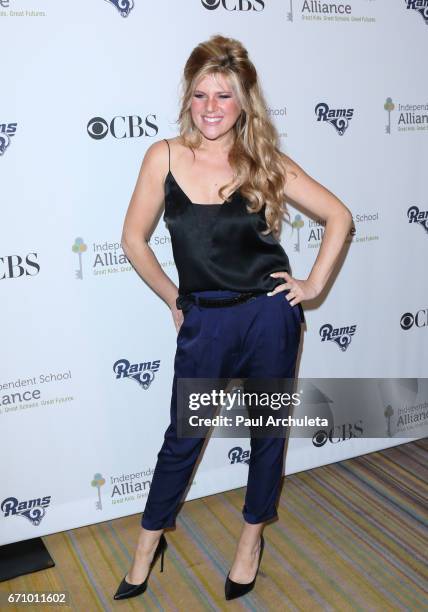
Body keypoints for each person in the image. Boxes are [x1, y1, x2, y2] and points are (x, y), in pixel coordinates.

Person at [114, 34, 352, 602]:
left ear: (244, 102)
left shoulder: (263, 161)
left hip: (270, 320)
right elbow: (133, 240)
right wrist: (176, 298)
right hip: (206, 322)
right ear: (187, 99)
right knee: (182, 437)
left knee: (267, 433)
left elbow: (339, 216)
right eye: (201, 95)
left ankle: (250, 541)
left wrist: (312, 286)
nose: (212, 107)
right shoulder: (163, 157)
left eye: (225, 95)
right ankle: (148, 544)